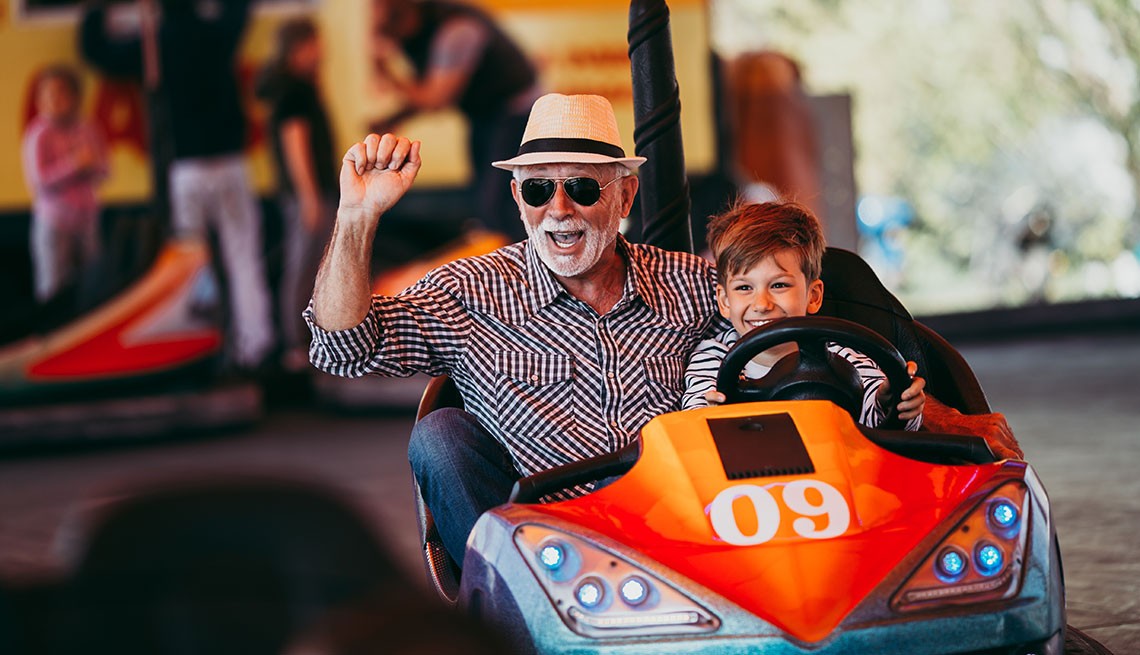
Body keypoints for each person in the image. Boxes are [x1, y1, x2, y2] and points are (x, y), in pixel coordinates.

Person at [306, 94, 724, 563]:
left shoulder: (693, 284)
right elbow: (341, 348)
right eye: (538, 190)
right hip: (538, 557)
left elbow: (777, 333)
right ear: (517, 199)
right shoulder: (470, 290)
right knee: (439, 434)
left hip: (673, 535)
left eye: (584, 188)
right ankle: (502, 617)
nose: (559, 208)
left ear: (625, 195)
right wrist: (357, 218)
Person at [80, 0, 274, 371]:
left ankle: (202, 347)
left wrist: (96, 10)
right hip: (232, 163)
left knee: (191, 267)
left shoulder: (154, 43)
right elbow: (239, 11)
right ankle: (256, 347)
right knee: (244, 258)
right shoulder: (217, 33)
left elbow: (96, 51)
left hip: (186, 169)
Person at [681, 201, 927, 430]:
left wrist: (892, 399)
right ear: (725, 301)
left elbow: (883, 421)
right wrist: (711, 414)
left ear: (813, 296)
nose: (762, 304)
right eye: (744, 288)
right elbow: (696, 414)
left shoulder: (840, 356)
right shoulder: (714, 358)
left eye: (779, 286)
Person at [370, 0, 540, 242]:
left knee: (496, 201)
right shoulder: (420, 34)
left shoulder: (457, 29)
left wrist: (388, 74)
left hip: (516, 113)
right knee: (482, 197)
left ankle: (519, 260)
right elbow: (428, 94)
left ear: (406, 16)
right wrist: (394, 118)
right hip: (486, 114)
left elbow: (436, 97)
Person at [256, 18, 338, 372]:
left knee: (308, 266)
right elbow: (296, 144)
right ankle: (295, 344)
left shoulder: (292, 88)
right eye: (314, 44)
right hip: (308, 193)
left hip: (310, 192)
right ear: (298, 48)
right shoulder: (293, 92)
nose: (321, 52)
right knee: (304, 267)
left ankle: (302, 341)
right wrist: (309, 197)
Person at [21, 64, 108, 306]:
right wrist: (73, 165)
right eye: (47, 95)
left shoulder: (87, 128)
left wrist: (92, 165)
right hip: (55, 221)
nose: (54, 100)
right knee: (53, 288)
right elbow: (39, 181)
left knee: (92, 285)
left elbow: (105, 170)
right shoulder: (38, 134)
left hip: (87, 218)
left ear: (75, 97)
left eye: (60, 93)